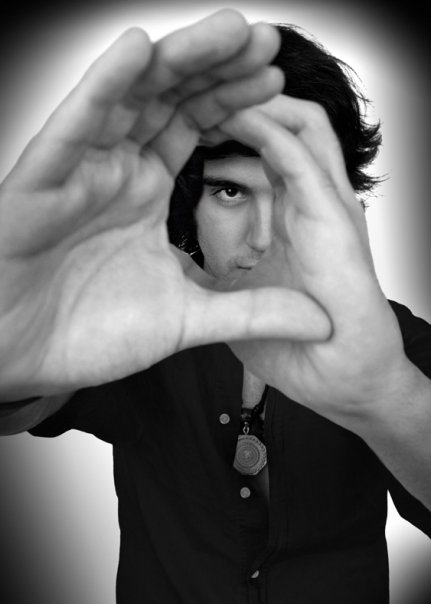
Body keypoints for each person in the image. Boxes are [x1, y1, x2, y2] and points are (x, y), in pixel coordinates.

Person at [0, 8, 430, 604]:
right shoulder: (138, 330)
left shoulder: (396, 342)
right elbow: (20, 402)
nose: (264, 238)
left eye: (293, 191)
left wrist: (387, 396)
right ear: (188, 205)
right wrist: (12, 339)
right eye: (230, 191)